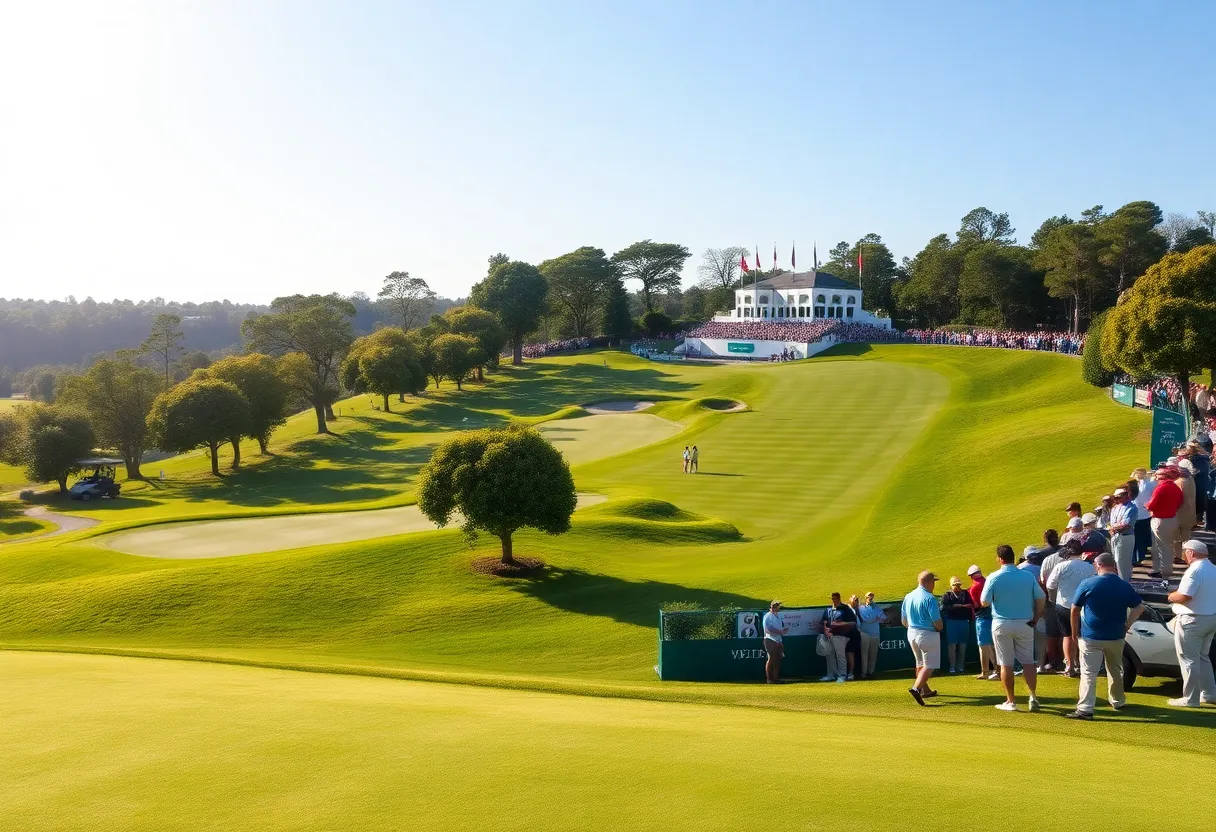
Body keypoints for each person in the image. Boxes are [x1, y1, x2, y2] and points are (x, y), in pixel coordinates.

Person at [1063, 553, 1144, 719]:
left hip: (1091, 636)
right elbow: (1139, 607)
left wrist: (1073, 632)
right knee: (1115, 669)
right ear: (1112, 565)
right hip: (1116, 636)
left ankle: (1085, 708)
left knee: (1089, 672)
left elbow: (1075, 609)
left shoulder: (1088, 583)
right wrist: (1127, 624)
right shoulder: (1124, 585)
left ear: (1098, 565)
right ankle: (1118, 700)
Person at [980, 545, 1046, 712]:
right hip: (1025, 623)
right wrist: (1036, 618)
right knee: (1028, 662)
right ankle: (1033, 696)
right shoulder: (1027, 576)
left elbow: (984, 602)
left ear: (999, 559)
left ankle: (1011, 701)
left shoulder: (994, 577)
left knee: (1005, 664)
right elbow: (1041, 598)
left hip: (1002, 624)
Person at [1166, 540, 1216, 708]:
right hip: (1210, 618)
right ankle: (1209, 694)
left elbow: (1185, 596)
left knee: (1189, 659)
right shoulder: (1213, 569)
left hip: (1192, 620)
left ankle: (1190, 699)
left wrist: (1172, 596)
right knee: (1202, 657)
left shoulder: (1194, 570)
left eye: (1185, 552)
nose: (1184, 555)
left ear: (1191, 553)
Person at [1046, 540, 1095, 676]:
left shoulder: (1061, 566)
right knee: (1081, 636)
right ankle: (1081, 665)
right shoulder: (1089, 567)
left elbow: (1050, 585)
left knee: (1067, 635)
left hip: (1063, 605)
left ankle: (1070, 666)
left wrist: (1052, 598)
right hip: (1083, 607)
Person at [902, 571, 943, 705]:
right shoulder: (930, 598)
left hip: (912, 632)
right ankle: (916, 688)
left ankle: (924, 690)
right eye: (933, 582)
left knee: (920, 663)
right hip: (927, 634)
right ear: (929, 582)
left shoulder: (908, 596)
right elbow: (937, 621)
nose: (934, 585)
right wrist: (940, 628)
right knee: (930, 665)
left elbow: (904, 620)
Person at [1146, 465, 1184, 579]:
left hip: (1160, 520)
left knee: (1163, 547)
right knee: (1164, 546)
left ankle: (1164, 572)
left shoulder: (1160, 488)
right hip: (1172, 519)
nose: (1156, 478)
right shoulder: (1175, 487)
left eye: (1157, 476)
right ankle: (1160, 569)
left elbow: (1151, 505)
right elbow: (1180, 503)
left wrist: (1146, 505)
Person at [967, 564, 997, 680]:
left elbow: (976, 605)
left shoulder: (974, 587)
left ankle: (995, 669)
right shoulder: (987, 581)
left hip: (982, 616)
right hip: (991, 614)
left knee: (984, 643)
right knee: (986, 644)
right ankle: (985, 671)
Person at [820, 592, 856, 683]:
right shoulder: (828, 609)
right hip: (829, 636)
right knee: (829, 655)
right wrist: (826, 631)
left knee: (840, 656)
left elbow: (853, 622)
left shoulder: (846, 609)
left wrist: (840, 624)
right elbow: (824, 622)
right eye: (832, 598)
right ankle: (831, 675)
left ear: (839, 598)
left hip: (841, 636)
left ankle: (842, 676)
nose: (833, 600)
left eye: (835, 598)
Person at [941, 576, 973, 674]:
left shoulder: (965, 594)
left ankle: (961, 666)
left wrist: (960, 606)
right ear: (951, 585)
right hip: (952, 622)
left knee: (962, 645)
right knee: (952, 645)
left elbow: (969, 606)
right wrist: (955, 607)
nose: (957, 587)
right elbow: (944, 608)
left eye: (958, 584)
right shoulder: (947, 595)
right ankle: (952, 666)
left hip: (963, 622)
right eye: (954, 585)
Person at [1107, 487, 1138, 580]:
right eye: (1115, 498)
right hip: (1115, 536)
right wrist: (1113, 528)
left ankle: (1124, 581)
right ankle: (1122, 580)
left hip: (1125, 537)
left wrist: (1113, 527)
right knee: (1116, 560)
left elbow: (1126, 525)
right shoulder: (1115, 508)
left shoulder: (1132, 508)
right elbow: (1111, 523)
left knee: (1123, 562)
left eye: (1118, 498)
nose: (1116, 500)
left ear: (1125, 496)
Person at [855, 592, 887, 678]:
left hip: (875, 633)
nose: (871, 599)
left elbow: (884, 618)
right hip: (864, 633)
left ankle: (870, 672)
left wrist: (875, 617)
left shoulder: (876, 607)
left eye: (872, 597)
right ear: (866, 597)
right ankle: (864, 672)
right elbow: (866, 620)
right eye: (869, 597)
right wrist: (876, 617)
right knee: (864, 654)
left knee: (873, 654)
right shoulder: (861, 608)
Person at [1130, 468, 1155, 563]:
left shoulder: (1136, 487)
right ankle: (1141, 554)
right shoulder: (1150, 484)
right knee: (1144, 536)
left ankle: (1137, 558)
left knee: (1137, 538)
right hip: (1147, 514)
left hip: (1138, 515)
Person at [762, 600, 788, 684]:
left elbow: (779, 627)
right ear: (773, 607)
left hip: (778, 639)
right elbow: (768, 629)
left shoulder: (779, 615)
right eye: (777, 606)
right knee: (771, 659)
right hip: (769, 640)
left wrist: (782, 631)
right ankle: (769, 679)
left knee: (778, 658)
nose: (779, 607)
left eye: (778, 606)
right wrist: (780, 632)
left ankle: (776, 678)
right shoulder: (767, 616)